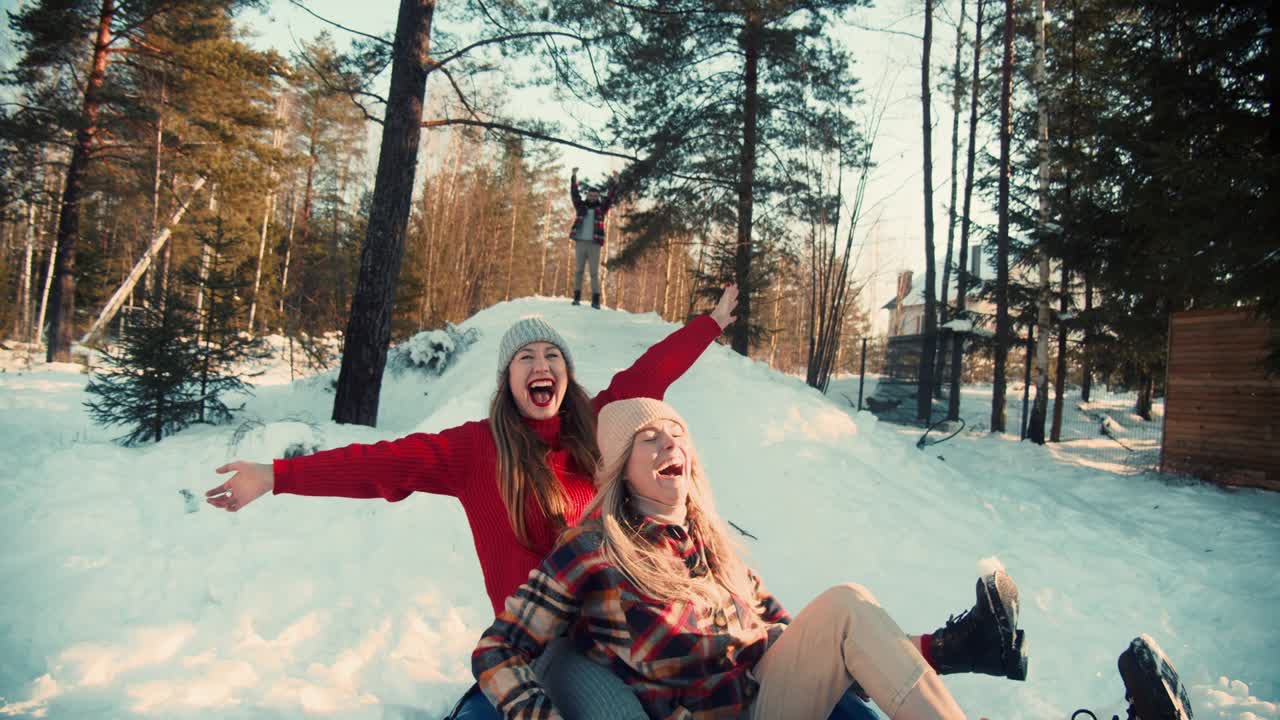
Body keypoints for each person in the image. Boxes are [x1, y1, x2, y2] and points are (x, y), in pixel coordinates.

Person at [206, 287, 742, 720]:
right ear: (509, 381)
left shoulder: (597, 429)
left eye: (552, 355)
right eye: (526, 357)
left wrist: (711, 323)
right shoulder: (477, 450)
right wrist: (276, 475)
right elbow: (381, 464)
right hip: (545, 644)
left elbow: (649, 373)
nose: (541, 363)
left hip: (622, 629)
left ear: (566, 374)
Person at [474, 398, 1035, 720]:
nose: (672, 445)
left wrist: (905, 654)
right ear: (621, 468)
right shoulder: (595, 548)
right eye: (650, 439)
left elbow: (789, 634)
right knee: (845, 603)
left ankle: (962, 652)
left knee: (848, 605)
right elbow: (498, 649)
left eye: (677, 434)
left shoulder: (710, 543)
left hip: (767, 703)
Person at [568, 167, 619, 309]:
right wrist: (573, 177)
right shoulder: (581, 207)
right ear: (588, 196)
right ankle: (576, 298)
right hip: (580, 242)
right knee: (578, 270)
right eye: (590, 195)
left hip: (594, 244)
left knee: (594, 273)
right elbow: (574, 194)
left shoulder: (601, 209)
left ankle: (595, 301)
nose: (592, 197)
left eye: (595, 196)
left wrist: (615, 182)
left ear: (597, 197)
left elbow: (610, 198)